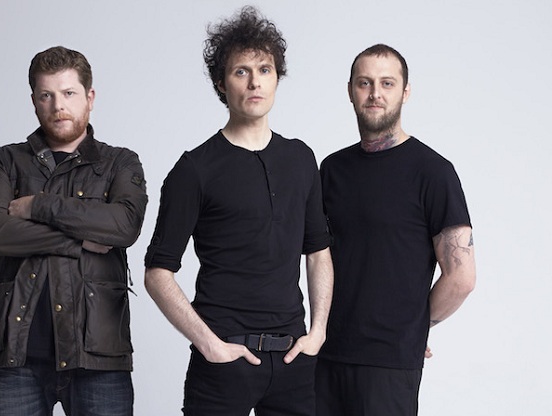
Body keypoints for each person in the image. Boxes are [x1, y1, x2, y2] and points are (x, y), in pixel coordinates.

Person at [144, 6, 334, 416]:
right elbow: (158, 273)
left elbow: (318, 252)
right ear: (221, 83)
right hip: (223, 361)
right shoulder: (194, 169)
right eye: (241, 71)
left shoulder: (301, 159)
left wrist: (317, 332)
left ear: (277, 77)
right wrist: (209, 344)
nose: (254, 81)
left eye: (264, 70)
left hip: (294, 360)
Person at [0, 46, 147, 415]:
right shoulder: (6, 161)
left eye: (69, 93)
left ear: (90, 97)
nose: (58, 106)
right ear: (34, 101)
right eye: (46, 95)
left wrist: (38, 206)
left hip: (98, 356)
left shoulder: (120, 162)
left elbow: (124, 226)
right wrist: (80, 239)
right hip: (16, 355)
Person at [315, 43, 477, 416]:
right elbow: (314, 256)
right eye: (365, 83)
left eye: (387, 83)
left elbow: (462, 277)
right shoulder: (332, 170)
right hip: (326, 353)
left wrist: (416, 328)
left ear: (405, 92)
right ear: (351, 91)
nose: (375, 93)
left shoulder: (433, 172)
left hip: (388, 363)